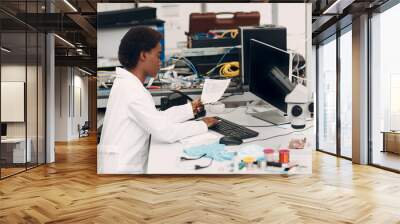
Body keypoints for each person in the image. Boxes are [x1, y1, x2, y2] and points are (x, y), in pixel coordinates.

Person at [98, 26, 218, 174]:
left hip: (119, 165)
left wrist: (190, 109)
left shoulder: (126, 84)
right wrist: (202, 125)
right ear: (143, 55)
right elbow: (165, 132)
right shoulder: (132, 90)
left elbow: (155, 119)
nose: (161, 61)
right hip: (122, 171)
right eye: (158, 55)